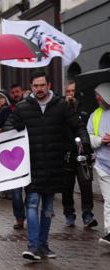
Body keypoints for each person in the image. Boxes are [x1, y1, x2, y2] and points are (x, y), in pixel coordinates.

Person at [4, 70, 90, 261]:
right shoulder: (23, 107)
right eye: (35, 86)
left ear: (49, 85)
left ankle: (43, 245)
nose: (39, 89)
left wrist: (84, 142)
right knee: (32, 204)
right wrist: (15, 130)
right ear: (31, 87)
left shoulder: (61, 105)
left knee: (48, 208)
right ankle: (33, 246)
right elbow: (8, 126)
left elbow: (78, 126)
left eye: (42, 85)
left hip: (54, 164)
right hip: (32, 165)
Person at [0, 89, 25, 228]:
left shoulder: (21, 109)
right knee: (16, 190)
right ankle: (19, 217)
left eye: (2, 98)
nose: (0, 101)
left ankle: (30, 211)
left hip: (24, 151)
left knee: (30, 190)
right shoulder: (2, 112)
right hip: (11, 155)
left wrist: (4, 130)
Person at [61, 80, 97, 228]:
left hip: (83, 153)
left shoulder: (84, 108)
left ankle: (87, 214)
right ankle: (69, 213)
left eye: (73, 91)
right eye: (68, 91)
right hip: (67, 153)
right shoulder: (61, 108)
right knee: (67, 186)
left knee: (86, 184)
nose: (71, 94)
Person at [87, 82, 110, 247]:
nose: (96, 98)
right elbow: (88, 136)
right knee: (109, 200)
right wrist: (100, 140)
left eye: (98, 95)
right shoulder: (95, 115)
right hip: (103, 165)